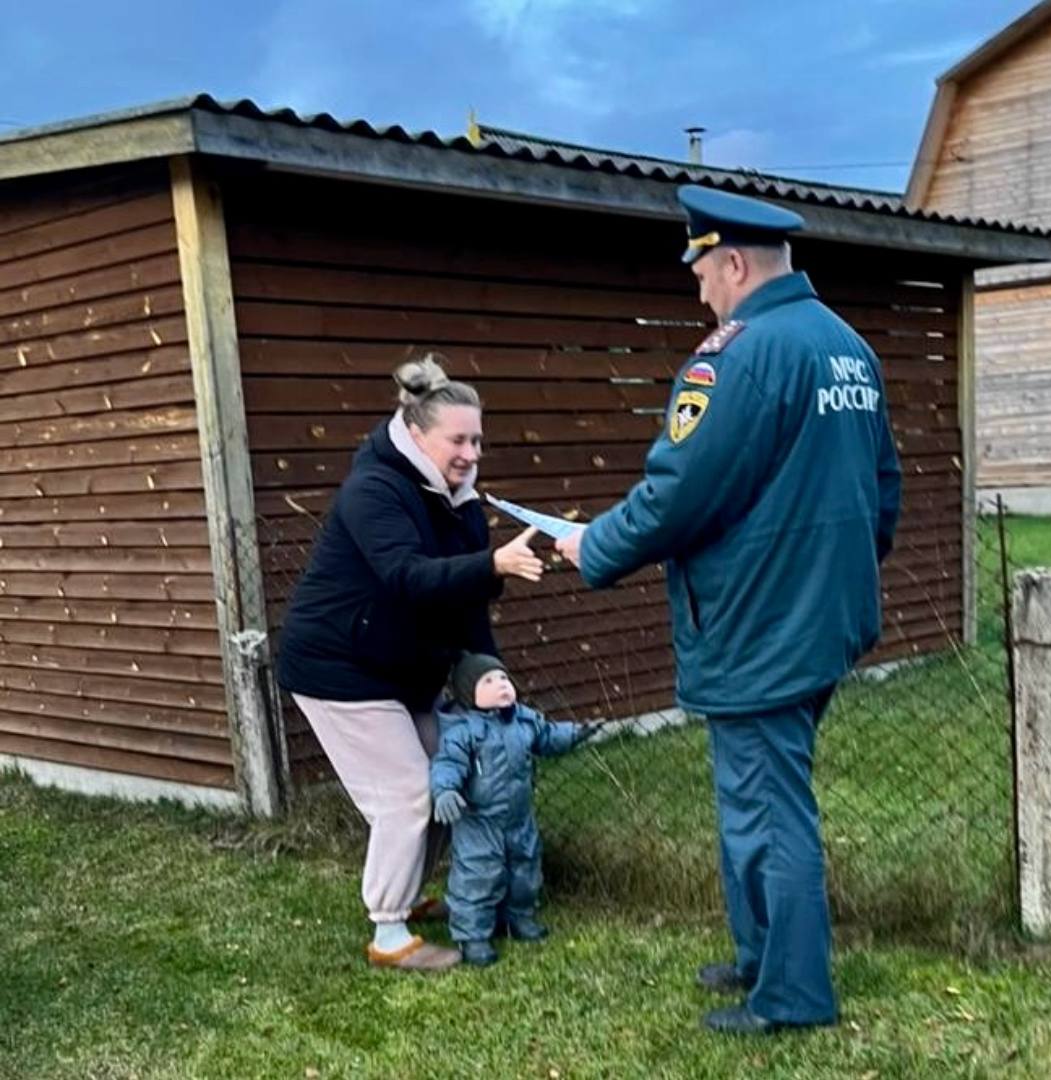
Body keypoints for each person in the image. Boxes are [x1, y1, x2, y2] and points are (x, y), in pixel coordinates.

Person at [556, 185, 902, 1033]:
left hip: (759, 626)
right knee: (755, 799)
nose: (701, 289)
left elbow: (678, 493)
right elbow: (883, 490)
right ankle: (759, 957)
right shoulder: (847, 347)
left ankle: (792, 996)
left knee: (768, 812)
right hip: (822, 618)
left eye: (703, 273)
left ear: (736, 264)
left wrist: (592, 546)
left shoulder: (736, 359)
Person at [276, 354, 544, 973]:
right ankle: (389, 934)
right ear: (418, 434)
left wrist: (490, 681)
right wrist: (492, 564)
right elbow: (407, 576)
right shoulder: (374, 490)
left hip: (403, 670)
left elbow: (466, 603)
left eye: (477, 440)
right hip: (339, 667)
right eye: (458, 440)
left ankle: (409, 893)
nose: (471, 453)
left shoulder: (460, 502)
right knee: (405, 793)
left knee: (453, 774)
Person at [428, 653, 599, 967]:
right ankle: (472, 935)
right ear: (468, 693)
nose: (501, 685)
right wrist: (445, 790)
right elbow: (447, 763)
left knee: (525, 869)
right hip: (480, 822)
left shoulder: (524, 719)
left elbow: (546, 736)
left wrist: (573, 734)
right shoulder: (463, 732)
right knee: (478, 875)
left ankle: (519, 916)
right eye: (489, 681)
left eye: (504, 678)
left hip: (519, 818)